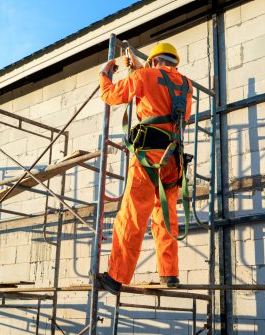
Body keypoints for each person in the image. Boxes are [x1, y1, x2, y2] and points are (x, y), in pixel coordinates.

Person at [98, 43, 193, 295]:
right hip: (173, 160)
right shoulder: (185, 85)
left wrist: (105, 76)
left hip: (147, 156)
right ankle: (169, 273)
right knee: (166, 217)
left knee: (132, 214)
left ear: (153, 61)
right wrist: (138, 71)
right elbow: (160, 91)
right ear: (173, 62)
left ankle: (115, 277)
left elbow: (110, 95)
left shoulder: (144, 76)